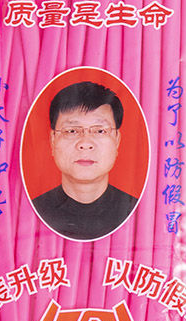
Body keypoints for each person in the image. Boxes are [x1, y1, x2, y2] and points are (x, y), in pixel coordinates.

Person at [32, 81, 138, 240]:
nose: (85, 143)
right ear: (53, 140)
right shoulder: (32, 211)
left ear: (117, 140)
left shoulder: (136, 212)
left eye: (100, 131)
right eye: (72, 131)